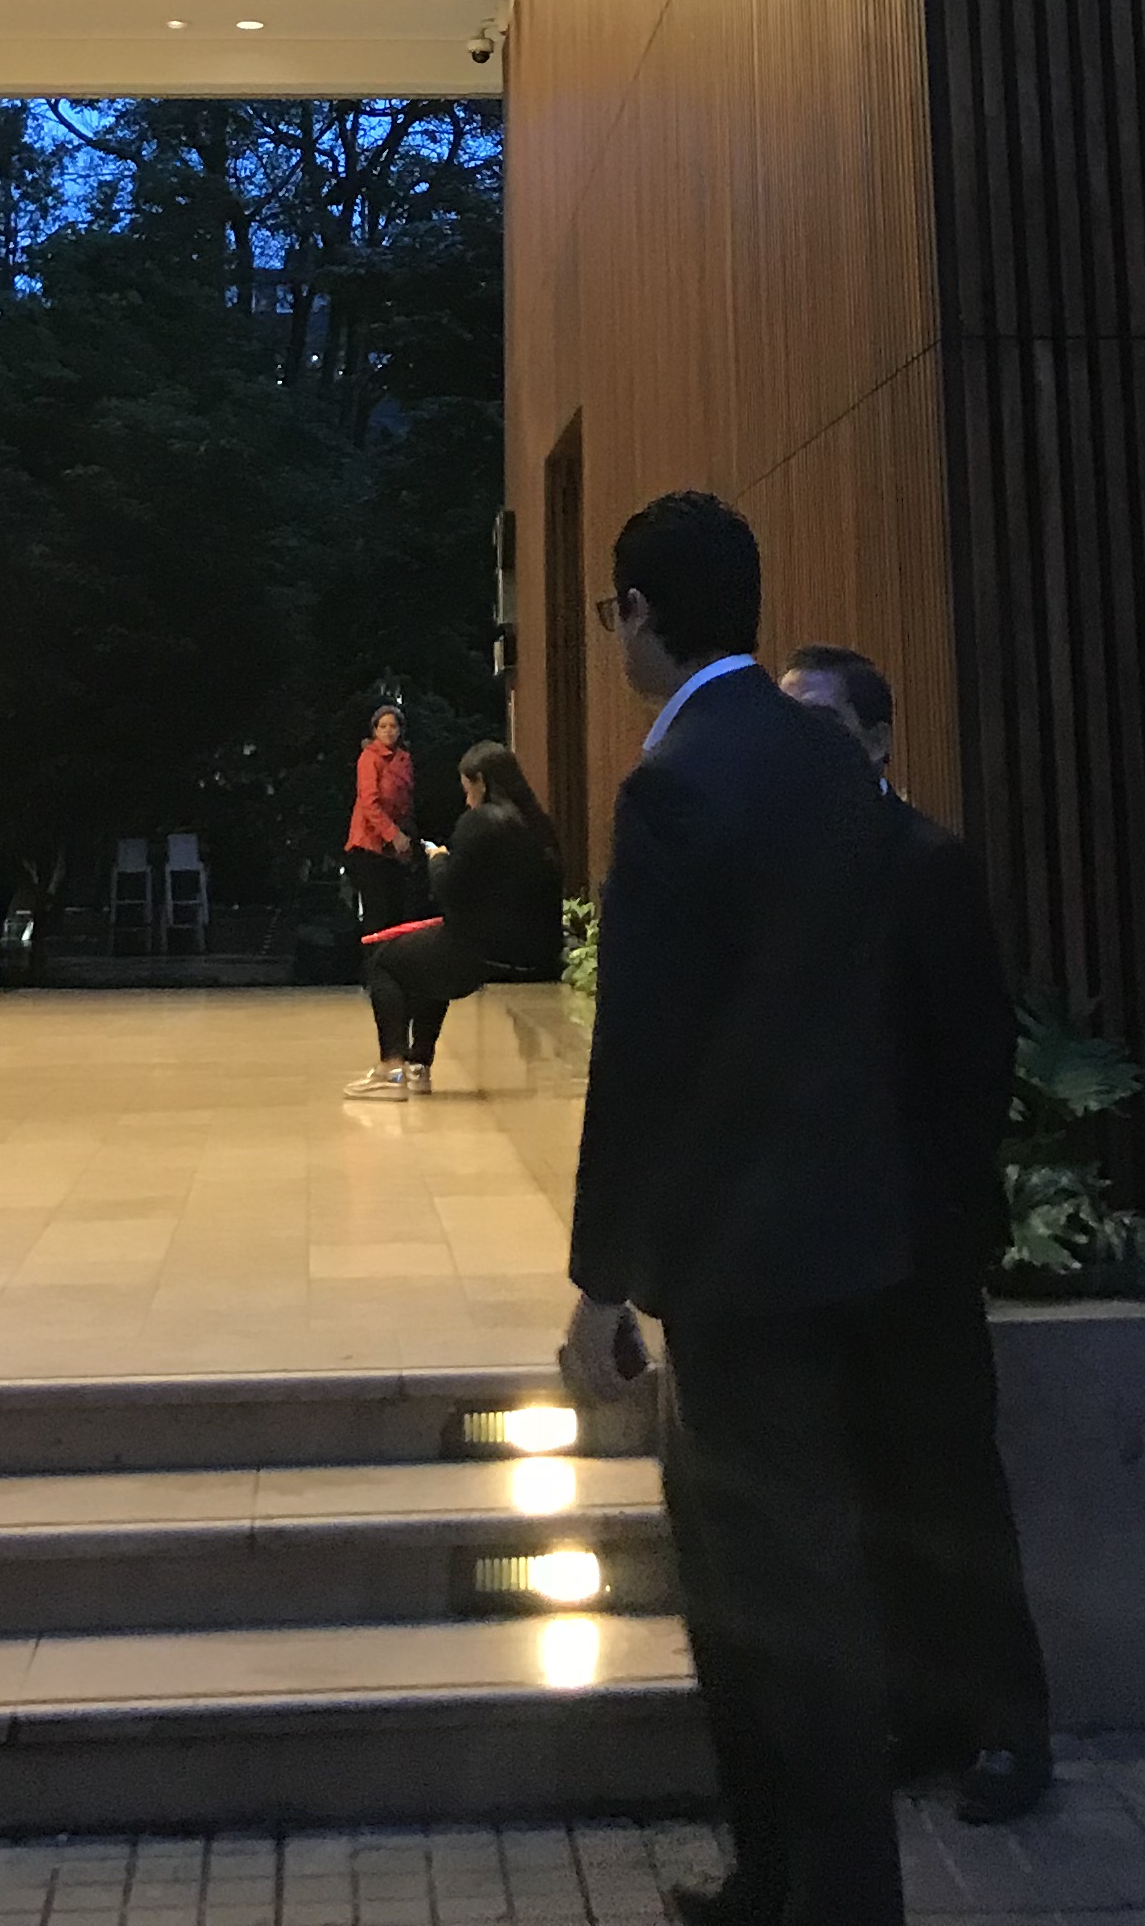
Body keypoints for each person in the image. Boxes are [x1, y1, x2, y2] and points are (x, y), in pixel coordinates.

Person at [560, 491, 917, 1926]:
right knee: (781, 1585)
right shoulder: (829, 763)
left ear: (644, 614)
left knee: (770, 1599)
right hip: (851, 1242)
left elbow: (644, 1054)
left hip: (736, 1264)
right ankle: (784, 1881)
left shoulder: (675, 785)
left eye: (613, 613)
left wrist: (601, 1281)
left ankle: (820, 1893)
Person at [781, 642, 1053, 1825]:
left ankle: (1009, 1728)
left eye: (824, 726)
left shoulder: (928, 863)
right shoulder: (779, 871)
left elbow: (976, 1060)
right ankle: (924, 1709)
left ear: (880, 741)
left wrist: (930, 1208)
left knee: (951, 1484)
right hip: (821, 1242)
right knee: (871, 1486)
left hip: (918, 1241)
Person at [347, 738, 562, 1098]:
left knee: (383, 961)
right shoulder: (538, 825)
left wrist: (439, 859)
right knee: (426, 960)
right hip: (530, 950)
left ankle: (391, 1069)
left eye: (468, 789)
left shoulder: (480, 822)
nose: (467, 800)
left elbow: (448, 889)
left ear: (481, 782)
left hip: (477, 947)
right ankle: (418, 1065)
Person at [344, 701, 419, 940]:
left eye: (393, 726)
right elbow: (369, 802)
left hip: (395, 848)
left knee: (398, 912)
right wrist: (393, 834)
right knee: (378, 913)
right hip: (370, 844)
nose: (388, 731)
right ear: (374, 730)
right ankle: (374, 960)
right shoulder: (370, 758)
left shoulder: (404, 759)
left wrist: (406, 839)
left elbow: (407, 803)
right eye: (382, 726)